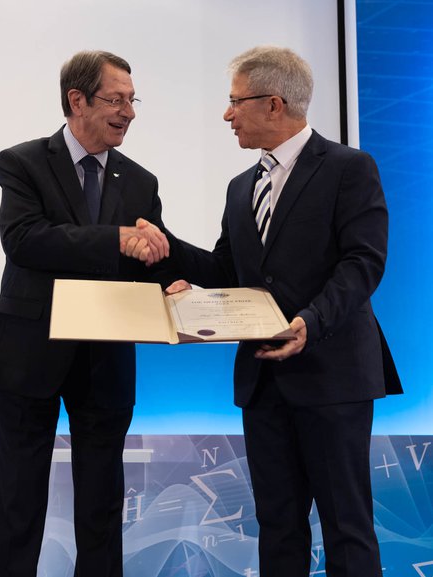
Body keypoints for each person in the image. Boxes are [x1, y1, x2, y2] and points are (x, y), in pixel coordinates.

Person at [165, 46, 402, 576]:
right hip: (264, 382)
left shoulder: (349, 168)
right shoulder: (240, 187)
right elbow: (227, 268)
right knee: (277, 525)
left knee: (347, 526)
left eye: (235, 102)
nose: (226, 115)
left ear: (274, 104)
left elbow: (363, 262)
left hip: (333, 376)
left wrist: (309, 324)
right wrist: (172, 255)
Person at [0, 50, 172, 577]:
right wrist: (116, 239)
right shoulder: (22, 162)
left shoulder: (141, 180)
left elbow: (149, 256)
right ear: (76, 100)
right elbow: (25, 240)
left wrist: (169, 280)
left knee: (103, 501)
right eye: (116, 100)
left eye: (133, 100)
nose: (128, 112)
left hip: (106, 354)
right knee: (18, 498)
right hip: (28, 352)